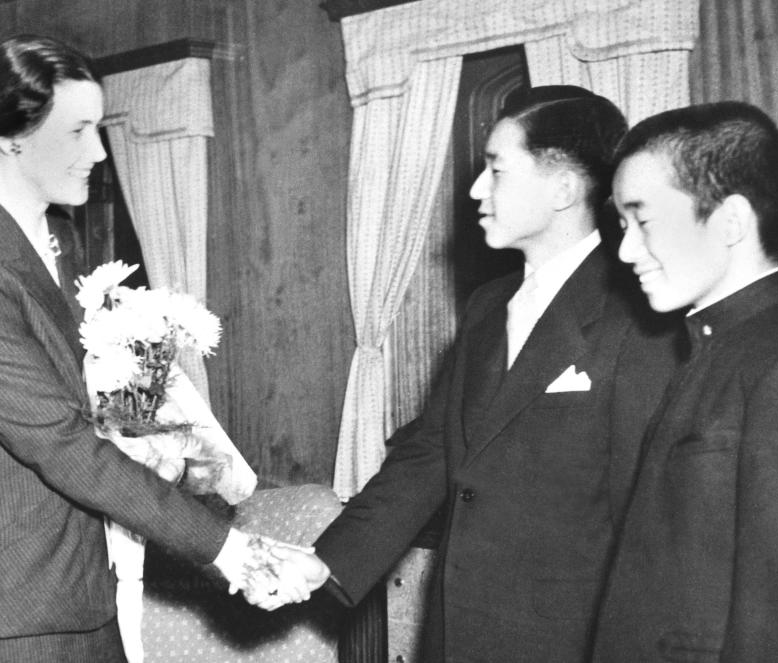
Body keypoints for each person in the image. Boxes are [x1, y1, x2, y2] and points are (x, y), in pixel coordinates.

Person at [258, 86, 682, 662]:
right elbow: (431, 455)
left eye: (497, 170)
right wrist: (324, 563)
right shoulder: (488, 305)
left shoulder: (640, 315)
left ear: (563, 188)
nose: (476, 190)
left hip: (570, 640)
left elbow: (654, 516)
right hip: (457, 629)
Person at [0, 34, 291, 663]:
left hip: (91, 585)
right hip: (13, 609)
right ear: (13, 136)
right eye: (79, 129)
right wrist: (226, 549)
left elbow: (95, 404)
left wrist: (160, 432)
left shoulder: (60, 236)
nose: (99, 150)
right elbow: (60, 443)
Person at [592, 101, 778, 661]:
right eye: (622, 225)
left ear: (731, 221)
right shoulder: (715, 350)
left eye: (642, 222)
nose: (625, 250)